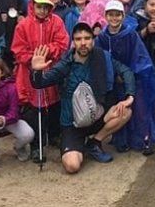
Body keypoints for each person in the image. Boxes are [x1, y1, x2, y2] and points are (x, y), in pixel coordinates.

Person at [30, 23, 135, 173]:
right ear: (73, 42)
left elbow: (126, 71)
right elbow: (39, 84)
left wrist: (129, 96)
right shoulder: (65, 64)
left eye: (87, 38)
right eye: (78, 39)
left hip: (97, 115)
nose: (83, 43)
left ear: (93, 39)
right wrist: (36, 71)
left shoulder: (103, 57)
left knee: (125, 111)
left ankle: (95, 142)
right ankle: (78, 145)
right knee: (72, 166)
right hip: (72, 124)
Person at [11, 0, 69, 163]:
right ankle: (37, 145)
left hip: (51, 69)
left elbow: (62, 43)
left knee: (53, 106)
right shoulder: (23, 25)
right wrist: (33, 60)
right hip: (29, 71)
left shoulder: (57, 22)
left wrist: (47, 53)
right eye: (39, 7)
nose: (42, 11)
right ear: (32, 5)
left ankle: (53, 136)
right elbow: (18, 50)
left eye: (46, 7)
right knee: (34, 110)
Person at [96, 0, 155, 154]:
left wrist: (129, 75)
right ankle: (121, 139)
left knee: (140, 110)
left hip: (135, 78)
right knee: (119, 111)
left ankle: (145, 139)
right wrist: (112, 76)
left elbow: (140, 58)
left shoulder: (130, 35)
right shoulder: (102, 38)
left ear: (123, 16)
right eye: (111, 15)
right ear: (106, 16)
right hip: (114, 82)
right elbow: (100, 60)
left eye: (118, 15)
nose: (114, 18)